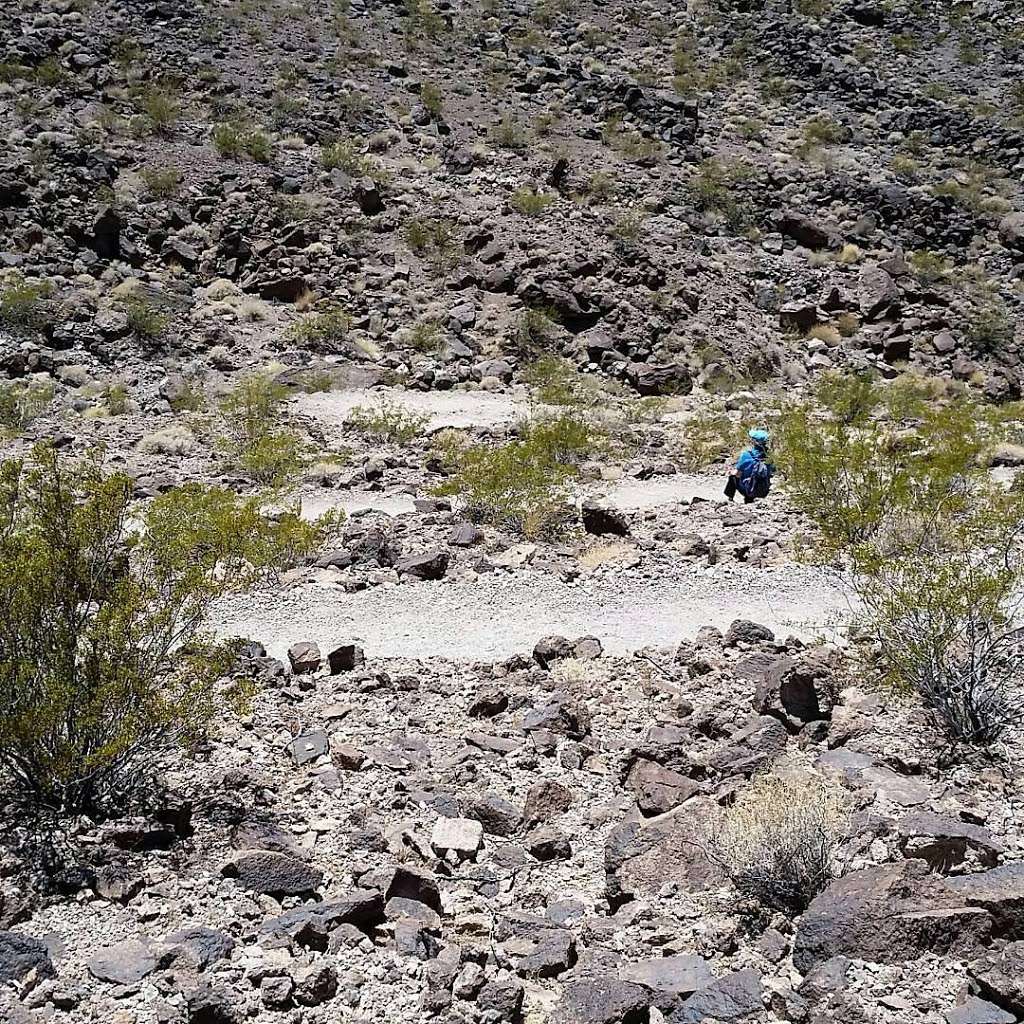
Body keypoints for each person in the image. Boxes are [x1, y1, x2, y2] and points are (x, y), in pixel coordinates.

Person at [724, 428, 774, 504]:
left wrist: (731, 472)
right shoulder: (770, 457)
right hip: (764, 490)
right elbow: (772, 471)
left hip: (749, 490)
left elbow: (738, 474)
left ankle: (730, 499)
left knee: (732, 477)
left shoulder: (746, 455)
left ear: (754, 442)